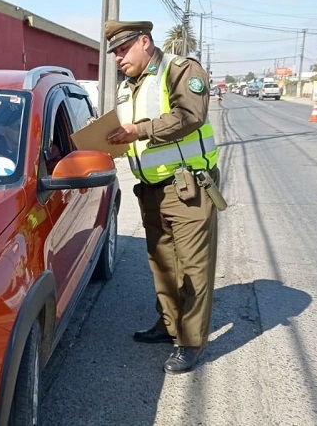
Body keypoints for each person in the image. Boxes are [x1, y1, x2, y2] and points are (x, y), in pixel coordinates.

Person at [104, 20, 221, 374]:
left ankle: (190, 341)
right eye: (114, 53)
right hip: (150, 189)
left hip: (187, 187)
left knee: (192, 268)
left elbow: (191, 115)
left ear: (145, 42)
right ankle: (169, 324)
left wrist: (138, 130)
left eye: (124, 50)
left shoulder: (180, 69)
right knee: (163, 263)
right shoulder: (128, 88)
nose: (118, 58)